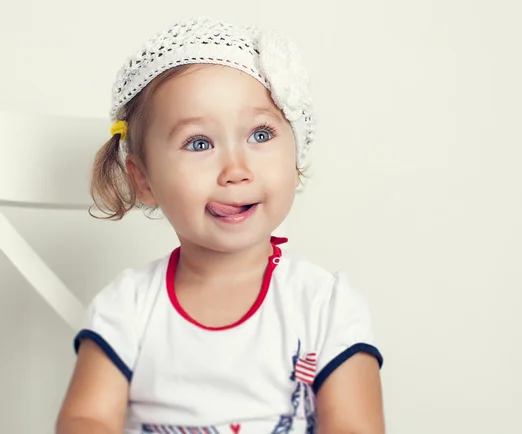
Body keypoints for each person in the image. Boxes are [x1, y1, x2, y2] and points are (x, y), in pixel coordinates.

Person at [55, 17, 385, 434]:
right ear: (143, 179)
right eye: (199, 143)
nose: (235, 169)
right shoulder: (128, 306)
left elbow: (354, 426)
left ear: (296, 153)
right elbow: (87, 418)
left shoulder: (324, 305)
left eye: (260, 135)